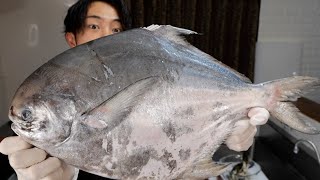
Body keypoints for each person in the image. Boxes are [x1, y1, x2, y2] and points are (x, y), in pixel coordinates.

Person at [0, 0, 270, 179]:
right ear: (72, 38)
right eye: (94, 25)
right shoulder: (50, 100)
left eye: (116, 28)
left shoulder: (150, 66)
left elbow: (174, 140)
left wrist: (231, 142)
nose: (107, 36)